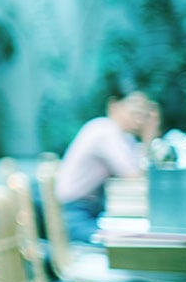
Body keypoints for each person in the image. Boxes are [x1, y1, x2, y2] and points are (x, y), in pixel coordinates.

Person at [55, 87, 159, 243]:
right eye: (134, 111)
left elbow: (141, 169)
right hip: (73, 215)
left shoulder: (123, 137)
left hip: (87, 211)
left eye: (143, 115)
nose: (138, 120)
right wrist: (149, 135)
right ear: (114, 105)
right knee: (123, 244)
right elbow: (133, 175)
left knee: (131, 237)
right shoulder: (104, 130)